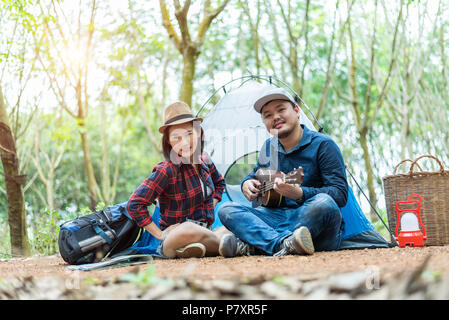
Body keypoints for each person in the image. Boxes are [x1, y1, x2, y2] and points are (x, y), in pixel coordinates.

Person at [218, 86, 348, 257]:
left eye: (281, 110)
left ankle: (258, 245)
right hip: (275, 218)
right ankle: (283, 243)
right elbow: (256, 174)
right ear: (264, 123)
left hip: (310, 221)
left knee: (324, 203)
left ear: (296, 110)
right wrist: (246, 184)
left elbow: (339, 193)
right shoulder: (269, 147)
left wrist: (300, 194)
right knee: (227, 209)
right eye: (268, 115)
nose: (275, 117)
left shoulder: (323, 145)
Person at [127, 101, 228, 259]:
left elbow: (220, 183)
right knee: (188, 228)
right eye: (177, 137)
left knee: (231, 222)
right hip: (177, 237)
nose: (185, 142)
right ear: (168, 141)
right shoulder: (166, 170)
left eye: (189, 133)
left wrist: (211, 204)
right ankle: (224, 245)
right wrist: (160, 235)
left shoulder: (205, 160)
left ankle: (203, 247)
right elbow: (134, 204)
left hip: (205, 231)